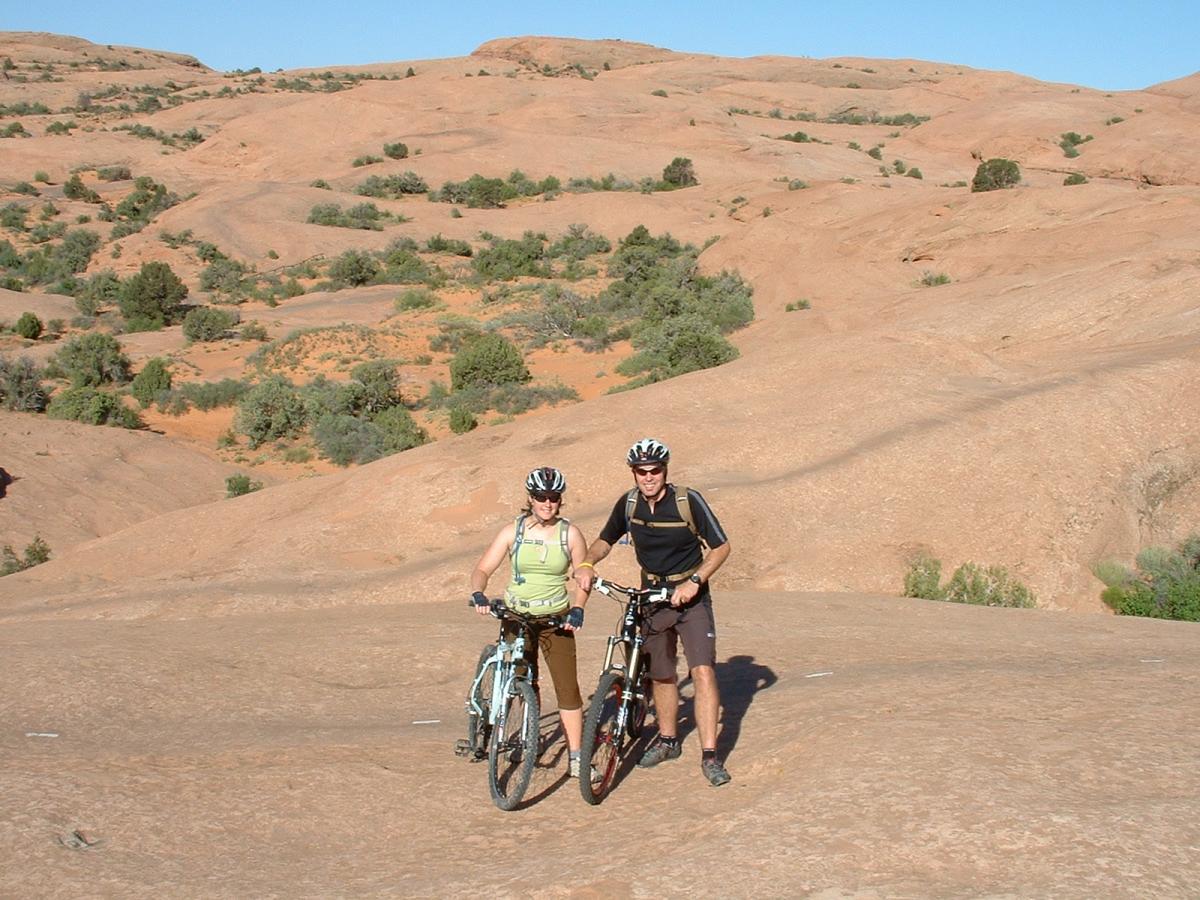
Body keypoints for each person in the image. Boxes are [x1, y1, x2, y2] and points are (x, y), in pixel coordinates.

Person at [574, 438, 733, 787]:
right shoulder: (629, 504)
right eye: (642, 471)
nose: (649, 477)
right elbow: (606, 540)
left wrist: (694, 581)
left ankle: (710, 755)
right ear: (633, 473)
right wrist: (587, 562)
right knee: (661, 674)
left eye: (655, 470)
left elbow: (721, 547)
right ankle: (667, 740)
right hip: (652, 597)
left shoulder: (687, 501)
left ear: (665, 470)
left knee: (702, 671)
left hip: (690, 598)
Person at [469, 466, 591, 778]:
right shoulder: (513, 531)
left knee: (568, 689)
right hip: (516, 617)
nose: (547, 503)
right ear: (530, 498)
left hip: (555, 620)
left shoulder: (570, 534)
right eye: (541, 497)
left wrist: (578, 607)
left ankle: (576, 758)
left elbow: (584, 575)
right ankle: (528, 735)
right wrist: (479, 593)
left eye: (553, 498)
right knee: (522, 680)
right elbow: (483, 568)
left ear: (560, 500)